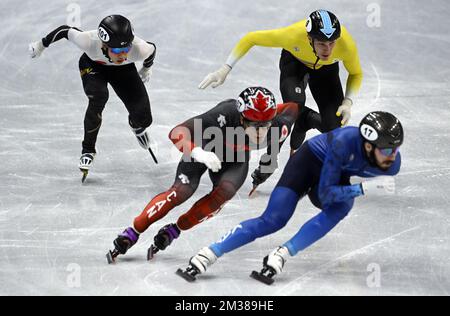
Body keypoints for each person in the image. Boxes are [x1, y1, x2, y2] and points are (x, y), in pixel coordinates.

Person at [177, 111, 403, 284]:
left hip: (335, 172)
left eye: (394, 149)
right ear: (367, 145)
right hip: (309, 162)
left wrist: (354, 190)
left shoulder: (391, 166)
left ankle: (282, 253)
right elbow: (325, 192)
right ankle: (210, 252)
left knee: (342, 206)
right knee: (274, 219)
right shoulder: (343, 142)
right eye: (385, 150)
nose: (391, 156)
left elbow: (328, 194)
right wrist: (363, 189)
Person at [106, 87, 298, 263]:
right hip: (206, 147)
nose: (261, 132)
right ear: (241, 118)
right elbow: (176, 132)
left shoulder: (279, 127)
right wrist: (198, 153)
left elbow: (293, 108)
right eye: (255, 125)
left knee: (222, 196)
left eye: (266, 124)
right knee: (181, 192)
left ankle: (175, 229)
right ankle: (134, 230)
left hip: (236, 159)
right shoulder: (225, 114)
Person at [199, 9, 363, 187]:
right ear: (309, 39)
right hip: (294, 63)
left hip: (326, 72)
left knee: (334, 127)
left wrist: (347, 102)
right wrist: (225, 68)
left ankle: (304, 122)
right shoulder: (292, 35)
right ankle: (270, 160)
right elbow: (251, 38)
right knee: (293, 108)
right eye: (322, 43)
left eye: (332, 43)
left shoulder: (346, 45)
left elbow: (356, 73)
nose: (328, 49)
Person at [29, 15, 157, 181]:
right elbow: (64, 31)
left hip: (124, 71)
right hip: (93, 66)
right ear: (104, 45)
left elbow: (152, 50)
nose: (123, 55)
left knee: (144, 118)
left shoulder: (139, 49)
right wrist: (40, 45)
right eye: (117, 51)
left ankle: (136, 125)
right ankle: (88, 149)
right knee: (98, 96)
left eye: (126, 49)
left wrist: (146, 69)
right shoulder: (87, 41)